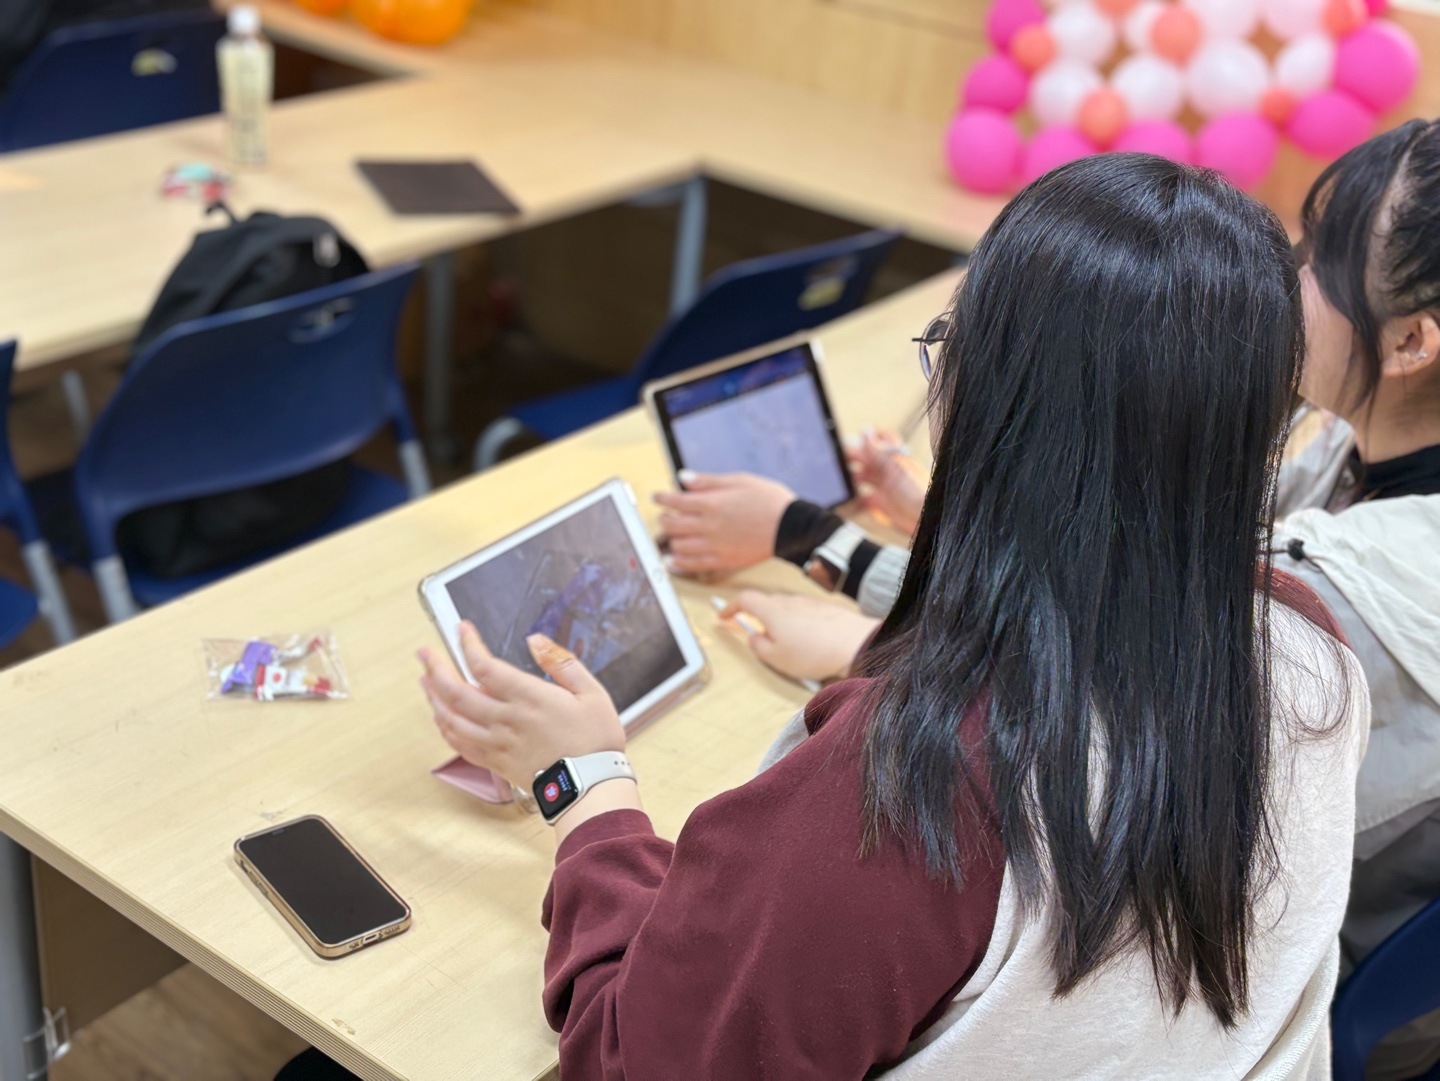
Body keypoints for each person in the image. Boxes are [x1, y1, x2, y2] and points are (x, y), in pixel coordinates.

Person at [411, 154, 1367, 1079]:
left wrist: (582, 785)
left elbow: (638, 1060)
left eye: (952, 343)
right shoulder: (1313, 648)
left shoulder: (919, 789)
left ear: (1001, 409)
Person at [1269, 118, 1440, 1081]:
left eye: (1314, 264)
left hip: (1289, 1004)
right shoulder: (1365, 448)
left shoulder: (1355, 595)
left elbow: (1112, 725)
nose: (1287, 282)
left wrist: (845, 574)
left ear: (1411, 341)